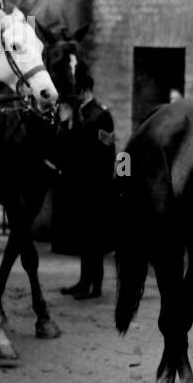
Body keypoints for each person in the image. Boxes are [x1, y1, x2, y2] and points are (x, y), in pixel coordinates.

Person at [55, 71, 116, 299]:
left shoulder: (101, 115)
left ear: (84, 90)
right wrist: (65, 123)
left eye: (77, 91)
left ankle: (94, 286)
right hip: (79, 186)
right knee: (84, 238)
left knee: (94, 238)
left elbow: (107, 151)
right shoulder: (76, 113)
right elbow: (65, 148)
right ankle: (84, 281)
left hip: (96, 186)